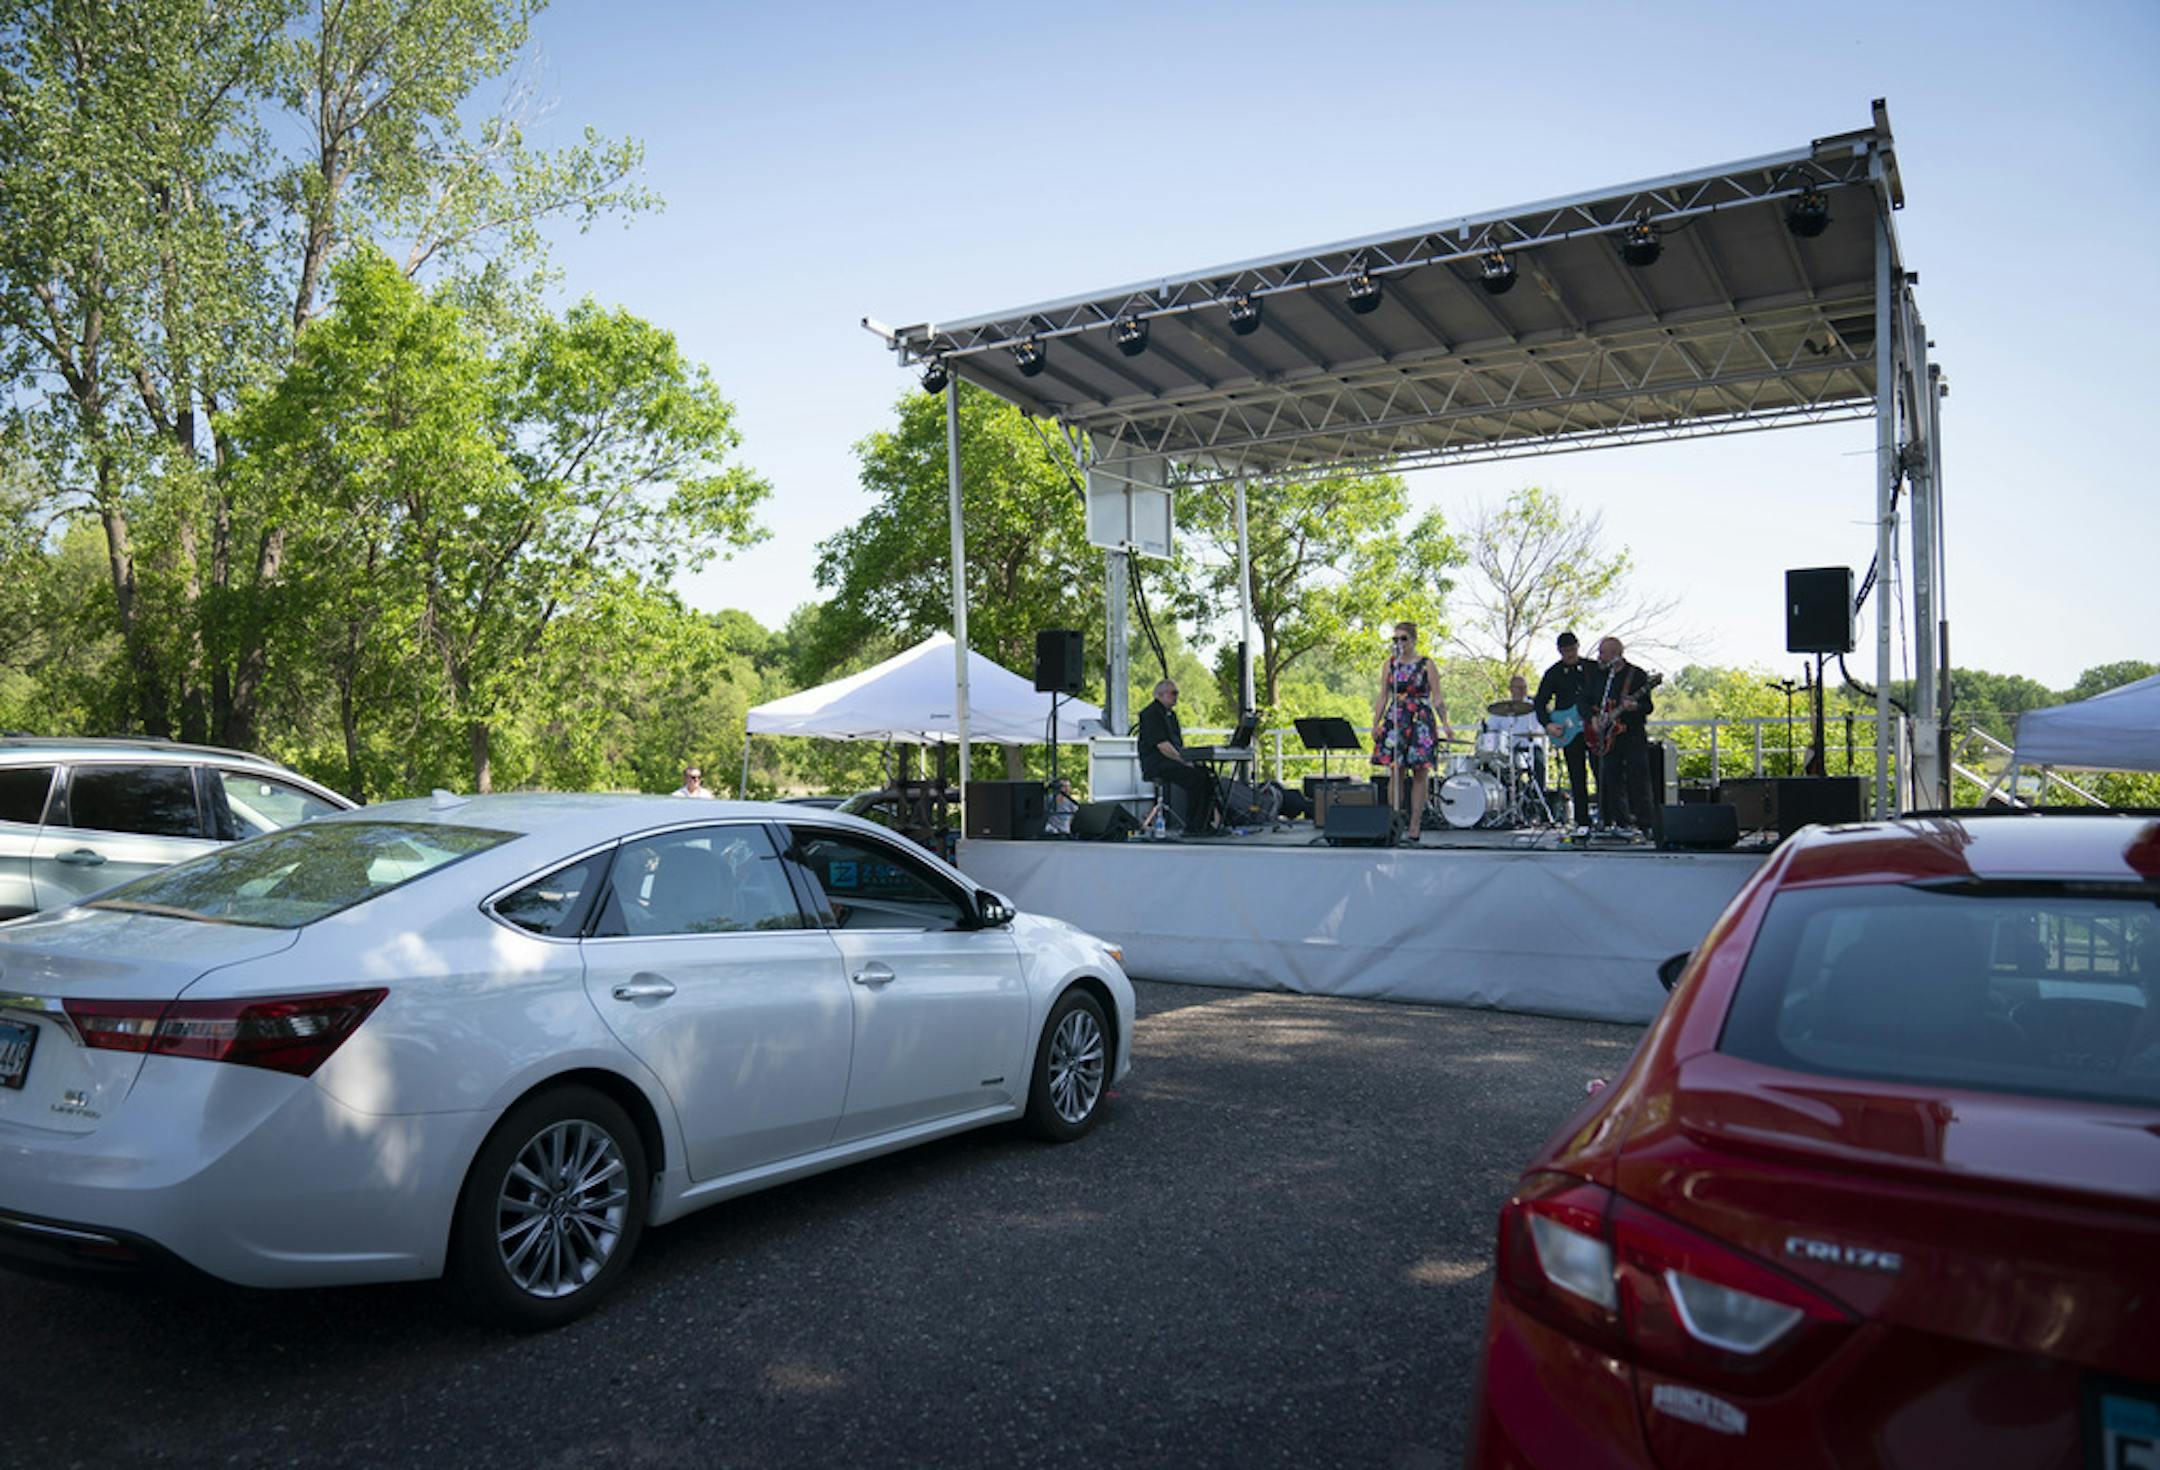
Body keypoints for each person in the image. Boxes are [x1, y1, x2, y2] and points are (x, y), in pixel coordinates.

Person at [1372, 620, 1453, 842]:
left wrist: (1446, 723)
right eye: (1395, 639)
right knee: (1395, 771)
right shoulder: (1390, 664)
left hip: (1420, 719)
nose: (1399, 643)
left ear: (1414, 640)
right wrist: (1375, 723)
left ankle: (1415, 823)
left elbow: (1437, 697)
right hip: (1397, 717)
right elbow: (1382, 696)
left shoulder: (1427, 664)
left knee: (1419, 772)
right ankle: (1394, 820)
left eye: (1403, 638)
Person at [1578, 636, 1656, 833]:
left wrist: (1635, 705)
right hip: (1606, 738)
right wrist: (1592, 718)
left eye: (1602, 653)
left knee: (1638, 778)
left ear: (1615, 655)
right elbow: (1583, 701)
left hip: (1632, 735)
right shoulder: (1600, 677)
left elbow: (1648, 706)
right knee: (1610, 779)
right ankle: (1620, 822)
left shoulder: (1636, 675)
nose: (1599, 657)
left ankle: (1645, 824)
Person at [1136, 679, 1215, 831]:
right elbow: (1163, 746)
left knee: (1206, 774)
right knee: (1196, 778)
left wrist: (1190, 758)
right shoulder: (1151, 714)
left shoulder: (1171, 715)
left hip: (1172, 760)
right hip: (1157, 763)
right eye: (1173, 693)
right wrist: (1184, 761)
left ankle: (1205, 822)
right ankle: (1193, 825)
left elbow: (1177, 744)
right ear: (1161, 694)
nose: (1176, 696)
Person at [1534, 632, 1593, 831]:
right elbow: (1540, 702)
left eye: (1572, 649)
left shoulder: (1591, 668)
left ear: (1578, 646)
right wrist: (1548, 724)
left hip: (1591, 726)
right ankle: (1582, 820)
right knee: (1577, 776)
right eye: (1565, 651)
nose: (1570, 654)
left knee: (1602, 772)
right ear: (1559, 651)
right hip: (1568, 730)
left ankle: (1608, 818)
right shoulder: (1553, 673)